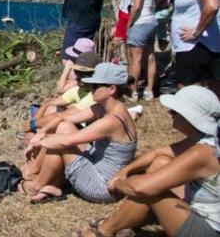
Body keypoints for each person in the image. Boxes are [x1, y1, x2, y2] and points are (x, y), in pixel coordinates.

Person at [73, 86, 220, 237]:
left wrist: (117, 183)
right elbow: (158, 153)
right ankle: (124, 221)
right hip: (207, 209)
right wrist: (125, 171)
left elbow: (140, 188)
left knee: (149, 190)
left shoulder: (203, 152)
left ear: (190, 117)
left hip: (211, 230)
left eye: (175, 111)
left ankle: (106, 230)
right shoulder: (206, 140)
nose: (169, 113)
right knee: (160, 163)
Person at [21, 63, 137, 203]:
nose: (90, 90)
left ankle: (36, 186)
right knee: (64, 127)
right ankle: (52, 185)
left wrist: (38, 142)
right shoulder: (106, 108)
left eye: (95, 86)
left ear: (111, 89)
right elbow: (63, 117)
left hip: (103, 186)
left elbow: (67, 142)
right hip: (97, 164)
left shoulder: (112, 121)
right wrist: (42, 133)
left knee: (60, 142)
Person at [24, 51, 101, 136]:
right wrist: (33, 124)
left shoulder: (95, 95)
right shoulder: (81, 89)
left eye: (84, 74)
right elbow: (48, 103)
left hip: (92, 136)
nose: (79, 77)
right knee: (51, 109)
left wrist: (33, 125)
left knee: (63, 127)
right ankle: (39, 138)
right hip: (82, 127)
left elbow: (60, 116)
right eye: (77, 72)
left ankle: (41, 141)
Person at [126, 0, 158, 100]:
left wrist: (129, 23)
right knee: (150, 57)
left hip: (141, 23)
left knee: (136, 59)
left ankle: (133, 91)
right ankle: (149, 90)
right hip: (152, 21)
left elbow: (137, 6)